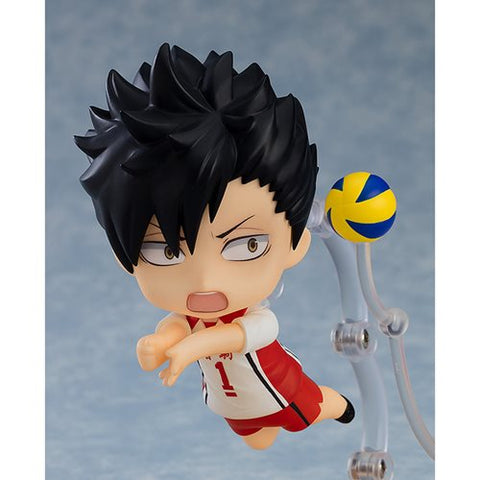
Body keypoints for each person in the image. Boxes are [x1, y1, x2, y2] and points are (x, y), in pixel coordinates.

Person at [75, 43, 354, 450]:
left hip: (281, 390)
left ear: (296, 244)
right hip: (231, 403)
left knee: (308, 413)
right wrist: (160, 342)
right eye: (167, 252)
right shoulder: (193, 315)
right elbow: (178, 324)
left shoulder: (258, 321)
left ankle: (338, 405)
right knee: (258, 441)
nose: (205, 281)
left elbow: (229, 339)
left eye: (248, 245)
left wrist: (189, 348)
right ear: (124, 257)